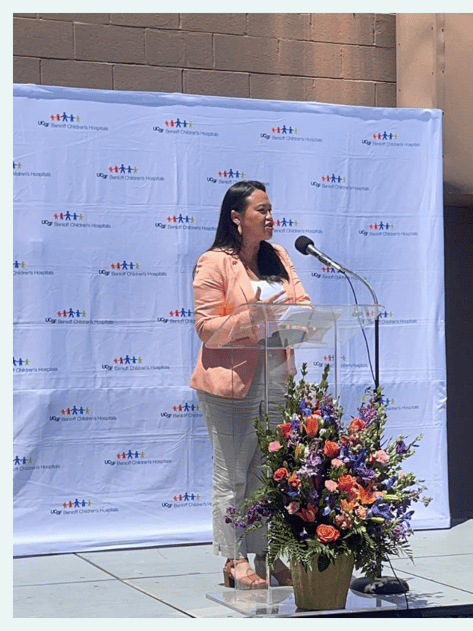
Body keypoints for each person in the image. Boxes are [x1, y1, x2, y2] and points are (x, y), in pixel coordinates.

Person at [190, 180, 311, 589]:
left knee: (270, 474)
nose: (270, 216)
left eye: (271, 208)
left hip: (276, 377)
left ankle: (268, 555)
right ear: (237, 217)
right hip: (230, 383)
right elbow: (207, 329)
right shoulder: (214, 262)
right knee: (233, 476)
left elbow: (303, 304)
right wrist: (252, 318)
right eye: (260, 209)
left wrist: (299, 317)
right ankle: (235, 559)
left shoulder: (277, 256)